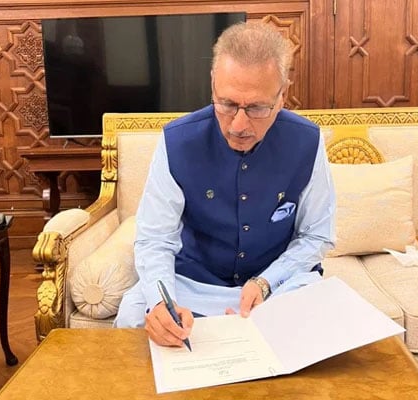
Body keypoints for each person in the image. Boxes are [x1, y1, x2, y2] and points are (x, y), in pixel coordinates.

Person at [114, 21, 336, 349]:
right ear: (213, 85)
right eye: (227, 104)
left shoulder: (308, 141)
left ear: (282, 96)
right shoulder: (177, 142)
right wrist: (161, 304)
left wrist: (266, 282)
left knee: (318, 323)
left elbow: (316, 235)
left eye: (258, 107)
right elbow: (155, 239)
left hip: (275, 284)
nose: (239, 124)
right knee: (133, 317)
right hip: (192, 283)